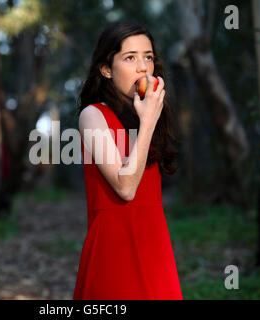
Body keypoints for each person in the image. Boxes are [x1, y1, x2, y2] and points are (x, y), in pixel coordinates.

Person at [73, 20, 183, 300]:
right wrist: (147, 122)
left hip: (154, 245)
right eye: (130, 58)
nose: (143, 67)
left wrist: (146, 120)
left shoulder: (145, 115)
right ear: (106, 69)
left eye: (148, 57)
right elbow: (125, 187)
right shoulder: (93, 115)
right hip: (114, 249)